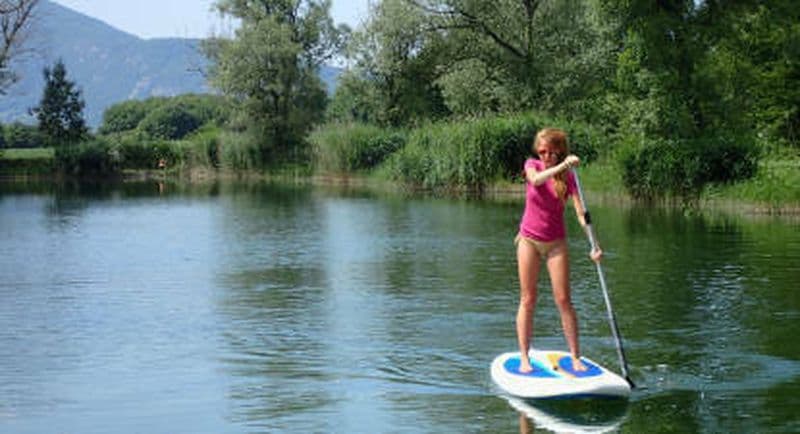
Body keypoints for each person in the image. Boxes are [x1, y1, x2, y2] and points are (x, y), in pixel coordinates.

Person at [515, 128, 602, 373]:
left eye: (551, 152)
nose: (546, 156)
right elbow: (536, 180)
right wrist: (562, 165)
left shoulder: (569, 178)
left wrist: (594, 244)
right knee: (528, 298)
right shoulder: (532, 165)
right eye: (542, 151)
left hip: (556, 243)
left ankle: (575, 357)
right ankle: (524, 357)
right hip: (529, 240)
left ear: (560, 151)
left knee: (563, 300)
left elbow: (581, 214)